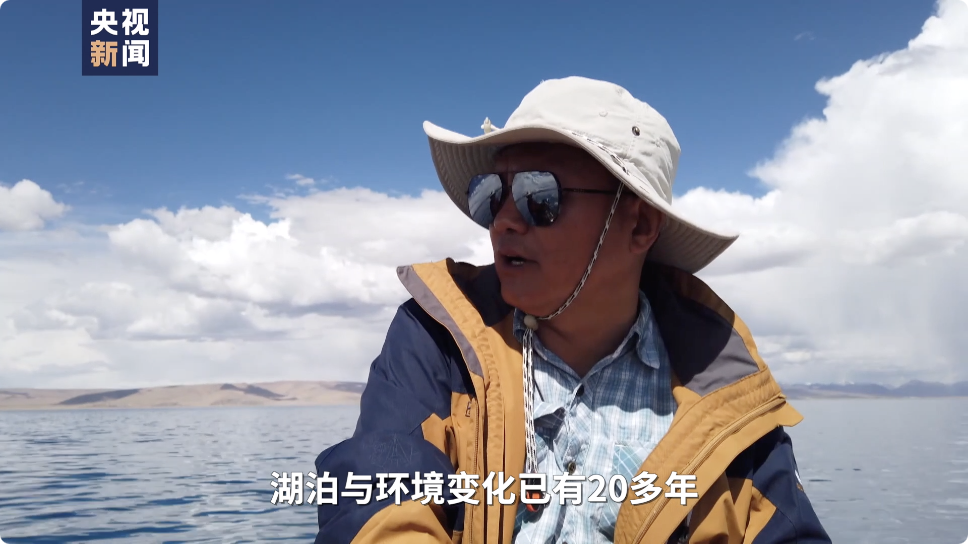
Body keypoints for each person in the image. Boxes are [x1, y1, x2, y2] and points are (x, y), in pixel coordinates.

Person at [314, 76, 831, 544]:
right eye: (491, 195)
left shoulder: (727, 396)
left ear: (638, 226)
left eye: (539, 195)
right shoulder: (436, 341)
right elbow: (378, 500)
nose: (504, 221)